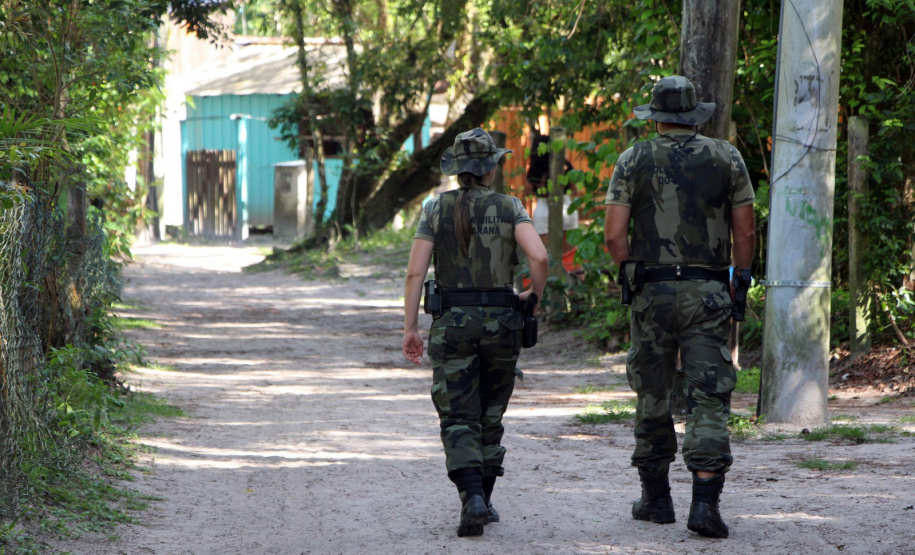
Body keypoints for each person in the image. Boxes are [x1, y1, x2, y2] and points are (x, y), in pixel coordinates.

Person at [603, 75, 756, 539]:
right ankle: (705, 504)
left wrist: (633, 272)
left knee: (652, 390)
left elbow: (613, 235)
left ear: (657, 116)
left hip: (651, 292)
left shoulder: (633, 159)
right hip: (708, 291)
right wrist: (740, 280)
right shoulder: (726, 156)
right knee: (707, 393)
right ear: (693, 114)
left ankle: (656, 499)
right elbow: (745, 231)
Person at [402, 128, 549, 538]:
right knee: (490, 412)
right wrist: (534, 296)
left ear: (456, 168)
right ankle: (483, 497)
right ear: (491, 167)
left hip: (452, 323)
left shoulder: (434, 209)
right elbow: (538, 255)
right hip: (503, 322)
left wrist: (411, 327)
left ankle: (472, 499)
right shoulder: (510, 206)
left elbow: (416, 271)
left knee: (457, 413)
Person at [526, 133, 579, 251]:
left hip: (543, 209)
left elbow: (528, 191)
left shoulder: (534, 168)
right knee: (569, 257)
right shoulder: (565, 165)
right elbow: (574, 189)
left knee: (547, 255)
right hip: (566, 208)